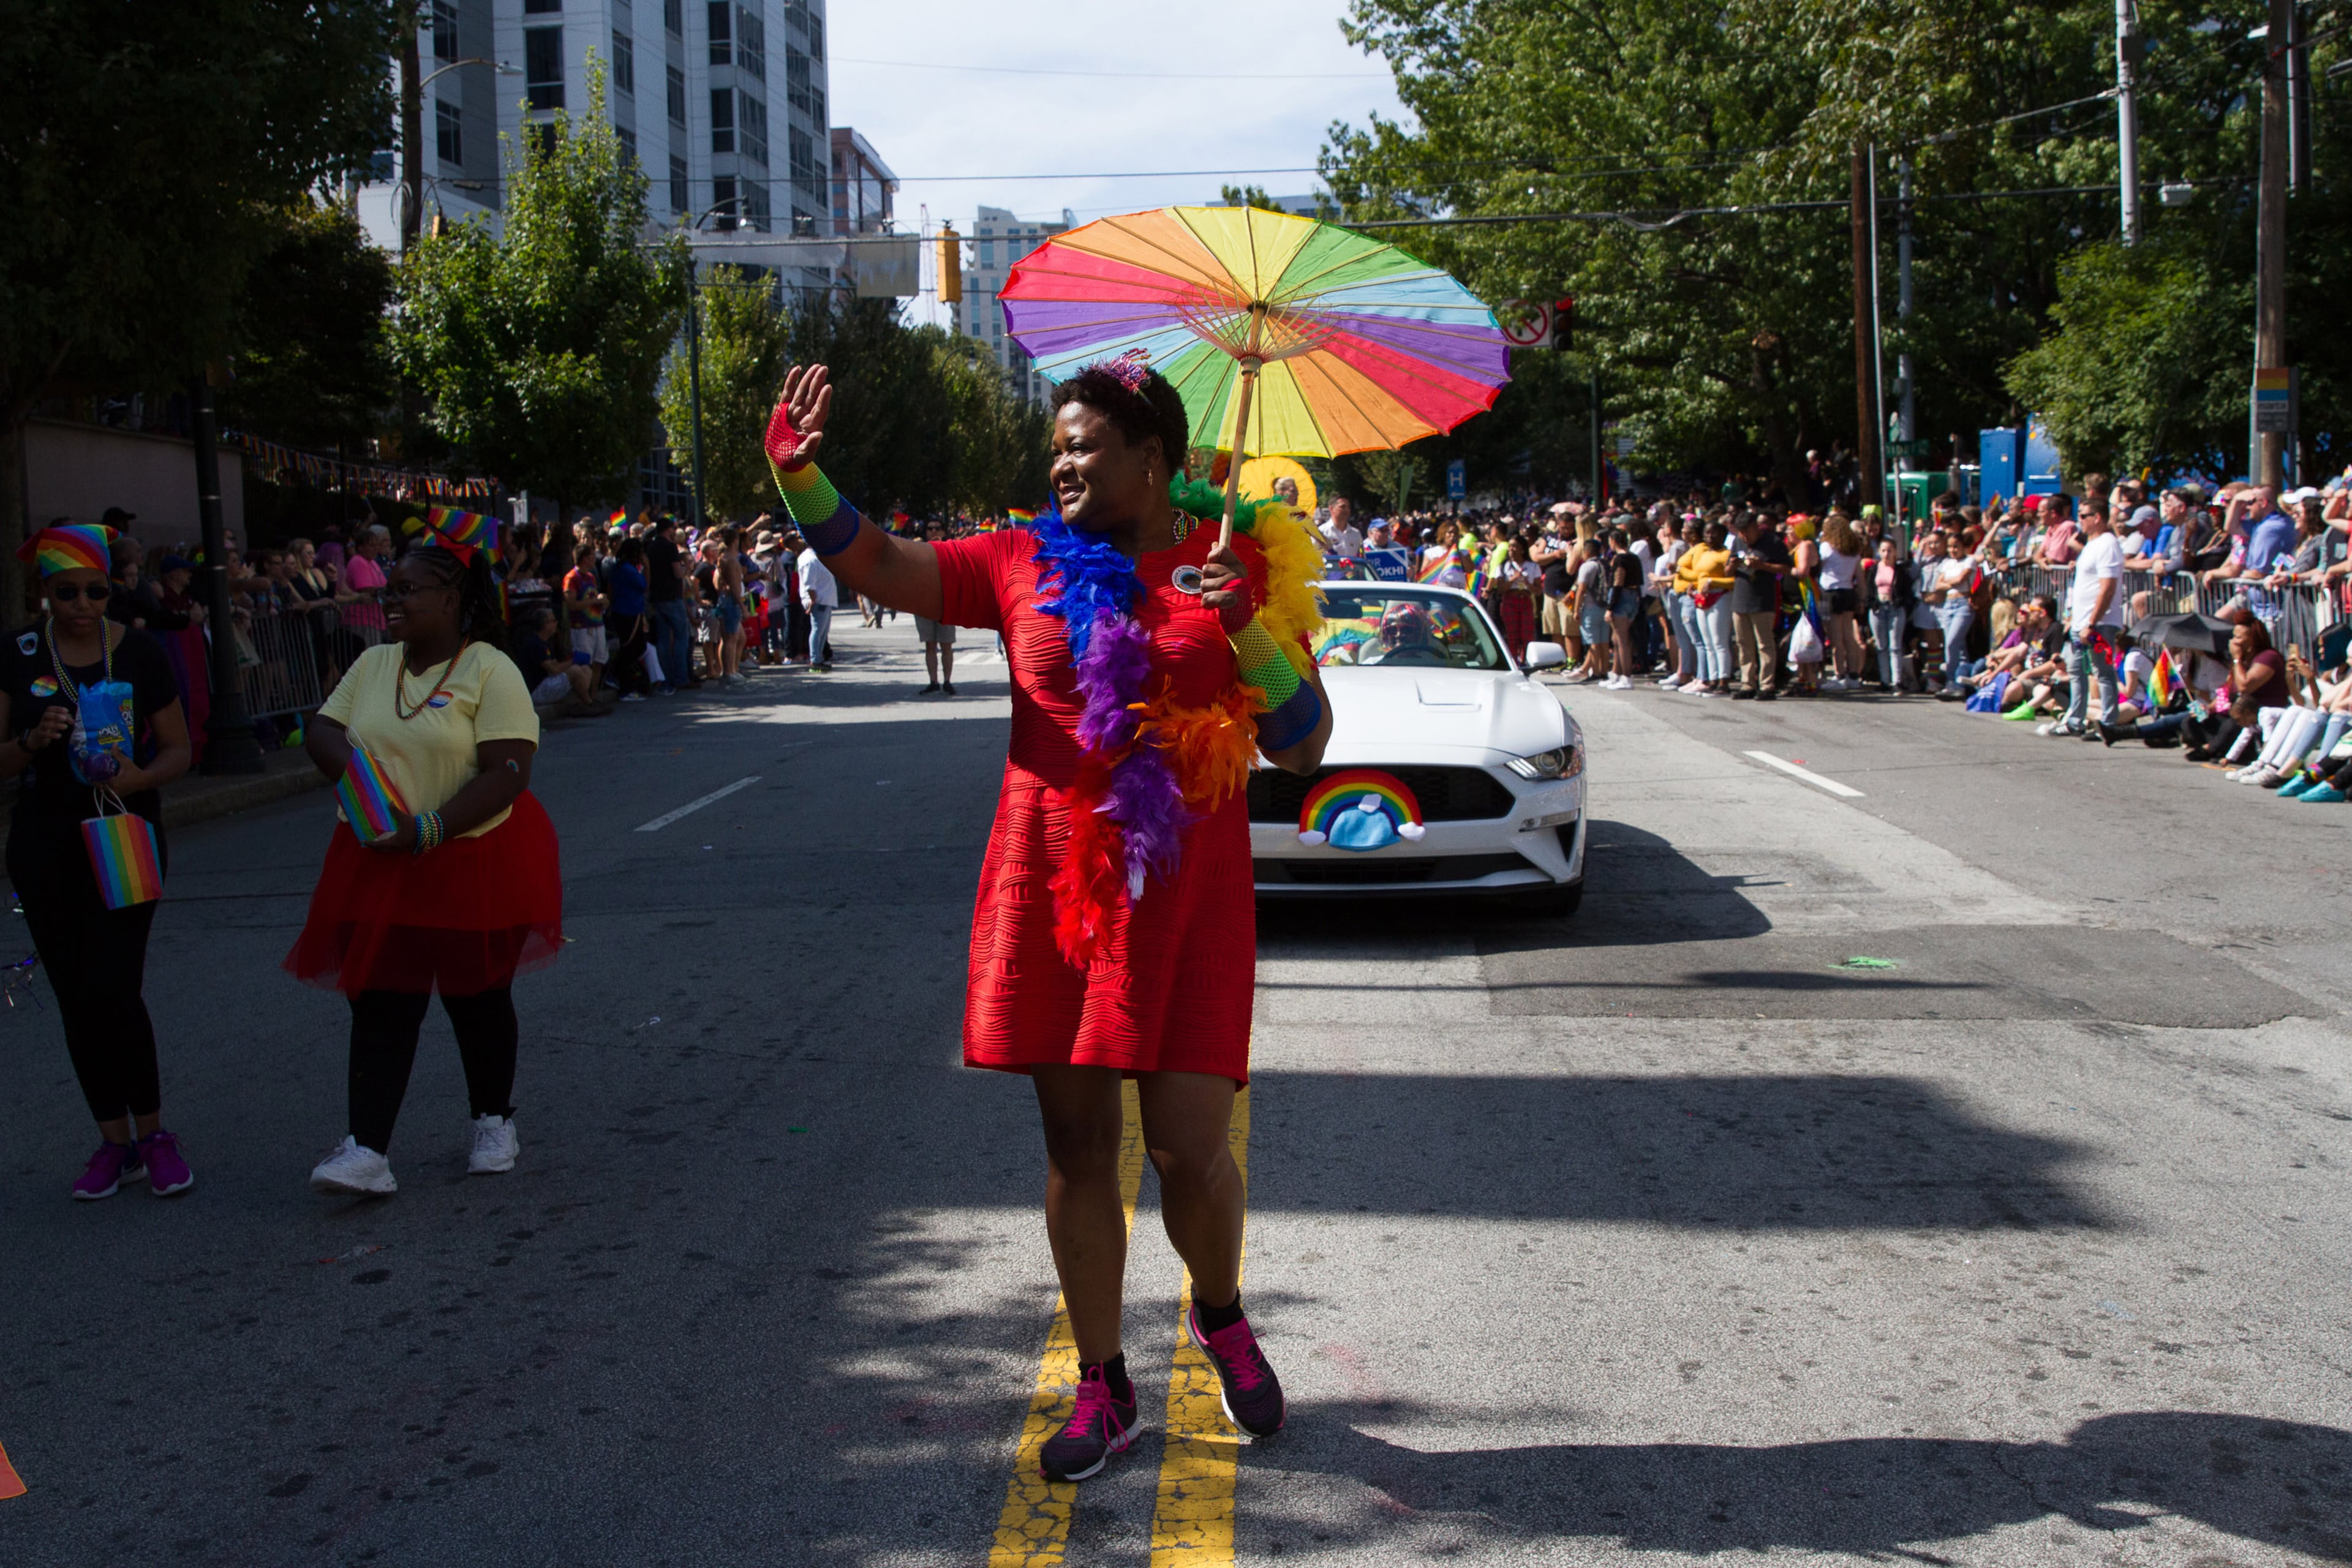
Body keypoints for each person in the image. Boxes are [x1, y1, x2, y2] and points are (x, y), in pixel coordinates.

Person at [761, 352, 1331, 1482]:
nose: (1063, 462)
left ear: (1154, 460)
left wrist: (1249, 631)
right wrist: (799, 478)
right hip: (1059, 890)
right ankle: (1106, 1385)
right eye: (1057, 446)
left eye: (1084, 445)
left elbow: (1306, 744)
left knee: (1188, 1150)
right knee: (1078, 1149)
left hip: (1186, 894)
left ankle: (1218, 1311)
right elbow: (880, 563)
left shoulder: (1242, 565)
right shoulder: (1021, 559)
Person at [288, 526, 564, 1196]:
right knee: (382, 1002)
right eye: (391, 588)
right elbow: (323, 730)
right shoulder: (374, 665)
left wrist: (429, 829)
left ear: (452, 598)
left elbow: (507, 770)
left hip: (471, 855)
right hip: (382, 859)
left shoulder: (489, 668)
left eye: (407, 589)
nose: (392, 600)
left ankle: (494, 1120)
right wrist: (368, 799)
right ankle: (368, 1150)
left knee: (478, 997)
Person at [2, 524, 197, 1200]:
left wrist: (136, 779)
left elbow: (180, 748)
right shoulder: (17, 653)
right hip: (45, 843)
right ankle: (114, 1143)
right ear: (44, 594)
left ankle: (155, 1136)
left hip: (124, 835)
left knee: (116, 987)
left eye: (96, 590)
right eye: (68, 592)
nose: (84, 604)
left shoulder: (139, 650)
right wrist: (31, 739)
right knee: (77, 998)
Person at [2052, 503, 2127, 739]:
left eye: (2084, 516)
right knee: (2075, 670)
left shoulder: (2108, 544)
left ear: (2098, 517)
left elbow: (2108, 587)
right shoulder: (2092, 545)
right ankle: (2075, 720)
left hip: (2098, 625)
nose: (2080, 520)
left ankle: (2108, 723)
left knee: (2102, 672)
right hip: (2079, 623)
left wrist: (2092, 623)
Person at [1728, 512, 1787, 700]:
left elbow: (1786, 568)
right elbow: (1727, 571)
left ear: (1756, 527)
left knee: (1764, 644)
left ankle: (1767, 684)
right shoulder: (1738, 542)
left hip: (1762, 600)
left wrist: (1763, 566)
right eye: (1741, 533)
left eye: (1747, 532)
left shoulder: (1773, 542)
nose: (1744, 537)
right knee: (1744, 644)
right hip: (1740, 599)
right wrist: (1733, 564)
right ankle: (1747, 683)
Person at [644, 515, 693, 693]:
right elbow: (677, 573)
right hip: (672, 596)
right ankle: (681, 677)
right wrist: (685, 569)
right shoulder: (670, 547)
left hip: (657, 597)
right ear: (668, 530)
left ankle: (666, 679)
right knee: (681, 637)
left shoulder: (651, 547)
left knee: (663, 640)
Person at [915, 520, 959, 694]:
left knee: (947, 645)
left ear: (943, 531)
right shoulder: (919, 551)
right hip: (924, 605)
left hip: (946, 605)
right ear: (926, 532)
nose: (934, 531)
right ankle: (933, 681)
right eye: (930, 528)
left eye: (937, 528)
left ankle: (947, 681)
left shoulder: (951, 550)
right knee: (930, 645)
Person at [798, 529, 839, 671]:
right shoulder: (811, 560)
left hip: (825, 599)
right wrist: (813, 600)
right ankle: (815, 659)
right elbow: (810, 583)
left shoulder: (816, 557)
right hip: (819, 600)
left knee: (822, 632)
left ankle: (819, 657)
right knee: (817, 630)